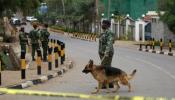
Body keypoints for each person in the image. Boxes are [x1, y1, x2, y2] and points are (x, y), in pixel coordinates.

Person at [98, 20, 115, 88]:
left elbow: (109, 43)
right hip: (102, 53)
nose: (102, 25)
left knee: (104, 68)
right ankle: (110, 83)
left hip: (107, 53)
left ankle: (105, 84)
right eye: (102, 23)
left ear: (108, 25)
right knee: (107, 68)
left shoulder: (109, 33)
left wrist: (106, 52)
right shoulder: (104, 32)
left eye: (104, 24)